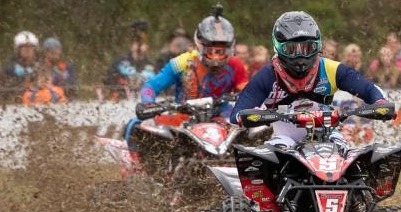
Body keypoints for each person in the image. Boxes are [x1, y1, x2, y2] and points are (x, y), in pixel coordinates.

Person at [229, 11, 388, 148]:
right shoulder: (267, 76)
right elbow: (236, 116)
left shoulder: (332, 69)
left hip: (328, 135)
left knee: (347, 153)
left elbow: (369, 89)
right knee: (272, 154)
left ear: (318, 46)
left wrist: (380, 103)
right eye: (291, 49)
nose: (300, 57)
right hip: (284, 139)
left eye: (307, 48)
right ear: (278, 47)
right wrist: (262, 116)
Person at [138, 8, 247, 129]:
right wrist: (148, 104)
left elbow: (249, 94)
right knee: (139, 125)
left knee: (255, 129)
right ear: (200, 45)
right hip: (182, 121)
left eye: (220, 51)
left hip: (223, 120)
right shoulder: (182, 62)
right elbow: (150, 86)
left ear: (230, 48)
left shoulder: (236, 65)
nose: (216, 58)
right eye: (210, 51)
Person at [106, 22, 154, 100]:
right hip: (122, 101)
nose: (139, 46)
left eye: (142, 43)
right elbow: (108, 79)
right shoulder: (120, 62)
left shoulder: (151, 66)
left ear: (146, 46)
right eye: (136, 42)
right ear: (131, 44)